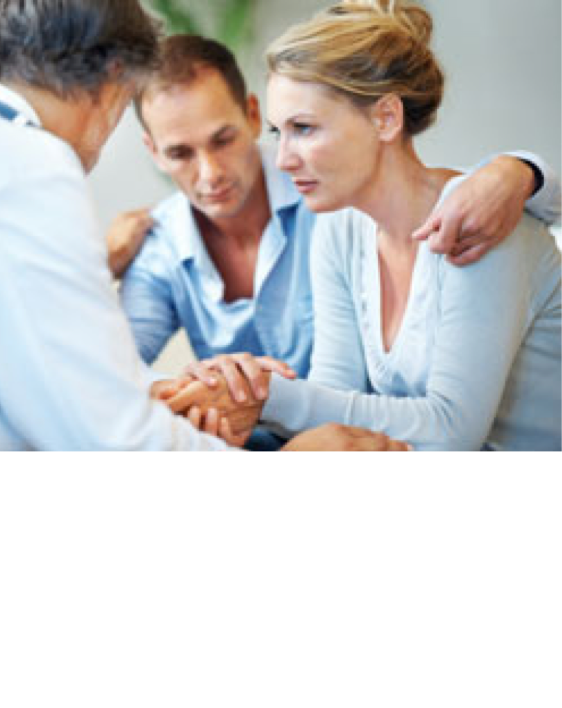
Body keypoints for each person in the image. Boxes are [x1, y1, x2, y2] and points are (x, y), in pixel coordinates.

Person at [0, 0, 406, 453]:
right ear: (152, 149)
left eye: (223, 140)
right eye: (180, 153)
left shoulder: (333, 201)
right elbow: (110, 388)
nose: (210, 174)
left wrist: (494, 172)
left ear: (253, 116)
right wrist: (198, 390)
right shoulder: (146, 237)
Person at [168, 0, 562, 452]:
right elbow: (336, 401)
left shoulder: (479, 221)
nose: (283, 160)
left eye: (304, 128)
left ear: (386, 118)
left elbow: (453, 430)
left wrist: (270, 397)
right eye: (279, 132)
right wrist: (242, 393)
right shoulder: (340, 229)